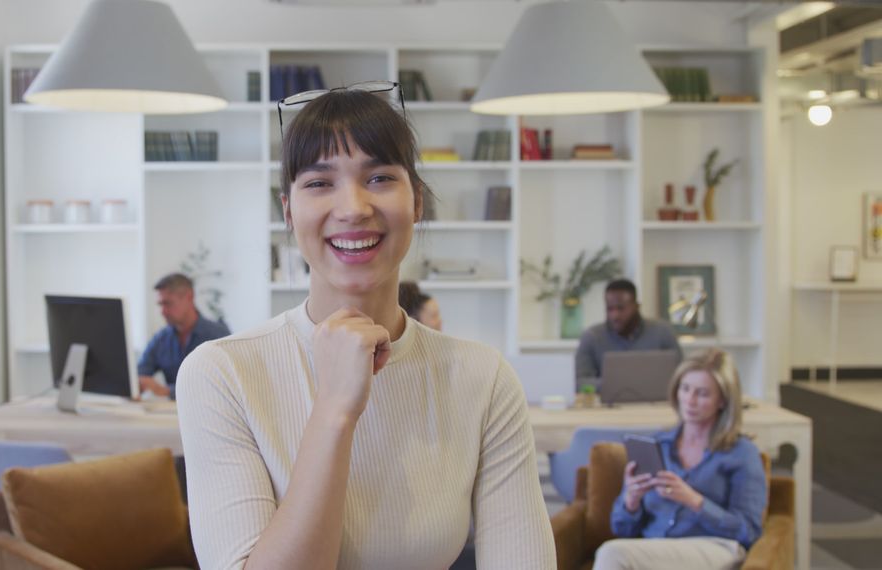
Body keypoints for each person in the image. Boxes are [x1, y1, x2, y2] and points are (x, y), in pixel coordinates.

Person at [177, 86, 555, 569]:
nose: (353, 207)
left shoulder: (482, 378)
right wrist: (335, 408)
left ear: (417, 202)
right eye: (318, 182)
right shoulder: (221, 374)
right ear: (288, 212)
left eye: (379, 177)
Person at [595, 349, 767, 570]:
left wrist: (694, 501)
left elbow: (749, 531)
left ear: (722, 401)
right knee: (617, 551)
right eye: (685, 389)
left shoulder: (742, 453)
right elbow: (621, 529)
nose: (690, 400)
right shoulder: (657, 446)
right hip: (654, 548)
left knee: (613, 553)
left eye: (703, 394)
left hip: (715, 548)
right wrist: (631, 501)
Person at [574, 278, 682, 389]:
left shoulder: (663, 332)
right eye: (610, 309)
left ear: (636, 306)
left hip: (658, 404)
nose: (615, 315)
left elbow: (681, 376)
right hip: (607, 405)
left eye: (621, 308)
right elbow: (579, 382)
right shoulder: (592, 337)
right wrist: (619, 384)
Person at [137, 273, 229, 399]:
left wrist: (166, 391)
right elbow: (140, 373)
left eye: (168, 303)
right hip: (170, 414)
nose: (163, 311)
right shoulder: (161, 339)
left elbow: (223, 386)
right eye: (160, 304)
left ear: (189, 297)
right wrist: (137, 385)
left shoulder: (218, 336)